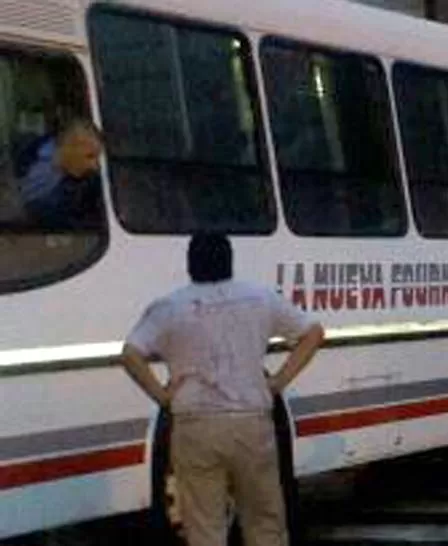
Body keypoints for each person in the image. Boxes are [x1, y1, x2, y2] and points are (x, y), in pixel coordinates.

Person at [119, 233, 324, 546]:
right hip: (251, 422)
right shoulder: (260, 298)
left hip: (194, 425)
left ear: (190, 265)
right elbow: (313, 333)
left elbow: (130, 354)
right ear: (230, 262)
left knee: (204, 527)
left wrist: (162, 396)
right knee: (265, 522)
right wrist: (278, 382)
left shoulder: (169, 306)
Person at [16, 119, 104, 229]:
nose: (95, 166)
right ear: (68, 148)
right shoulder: (37, 175)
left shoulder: (83, 182)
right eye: (89, 156)